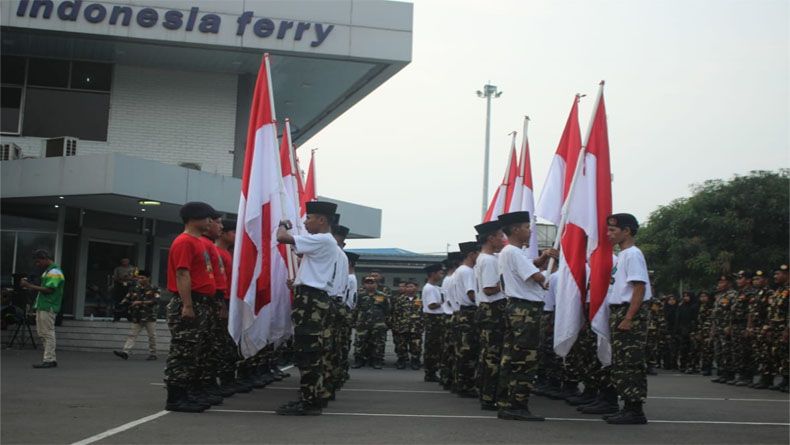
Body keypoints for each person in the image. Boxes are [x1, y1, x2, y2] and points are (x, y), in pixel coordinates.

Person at [275, 200, 338, 415]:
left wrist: (283, 224)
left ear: (321, 220)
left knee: (308, 353)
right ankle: (312, 398)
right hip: (312, 299)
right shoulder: (322, 242)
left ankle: (309, 402)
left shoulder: (323, 239)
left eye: (309, 218)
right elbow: (298, 251)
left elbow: (282, 238)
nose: (305, 222)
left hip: (311, 300)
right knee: (310, 352)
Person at [496, 211, 555, 421]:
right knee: (525, 359)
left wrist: (543, 258)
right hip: (526, 311)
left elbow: (530, 268)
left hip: (517, 308)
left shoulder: (509, 252)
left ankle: (506, 401)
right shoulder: (513, 252)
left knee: (511, 356)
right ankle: (517, 405)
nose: (530, 232)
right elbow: (539, 279)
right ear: (515, 230)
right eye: (527, 227)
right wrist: (555, 269)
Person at [163, 201, 218, 413]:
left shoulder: (198, 242)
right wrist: (187, 305)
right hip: (190, 301)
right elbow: (182, 273)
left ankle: (188, 394)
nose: (211, 222)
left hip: (201, 302)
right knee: (183, 351)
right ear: (194, 218)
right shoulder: (184, 241)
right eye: (207, 217)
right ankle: (176, 398)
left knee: (195, 351)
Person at [602, 213, 652, 425]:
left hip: (628, 312)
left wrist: (629, 318)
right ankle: (628, 407)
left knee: (630, 363)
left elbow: (639, 287)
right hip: (620, 311)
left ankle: (635, 410)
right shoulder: (623, 255)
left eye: (613, 230)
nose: (608, 234)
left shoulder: (632, 254)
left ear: (627, 231)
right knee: (621, 362)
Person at [473, 220, 507, 411]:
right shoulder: (488, 260)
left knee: (488, 355)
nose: (503, 239)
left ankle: (486, 393)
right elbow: (489, 289)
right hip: (492, 310)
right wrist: (508, 282)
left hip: (489, 311)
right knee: (493, 356)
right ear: (490, 238)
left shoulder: (487, 258)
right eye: (500, 235)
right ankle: (489, 396)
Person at [20, 250, 64, 369]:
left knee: (47, 332)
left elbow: (49, 290)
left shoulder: (54, 271)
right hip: (43, 305)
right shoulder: (49, 271)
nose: (37, 264)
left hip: (48, 305)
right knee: (43, 332)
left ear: (45, 258)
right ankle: (49, 358)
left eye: (38, 261)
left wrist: (29, 286)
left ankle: (49, 359)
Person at [453, 240, 480, 398]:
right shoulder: (468, 271)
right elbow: (472, 294)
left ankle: (460, 383)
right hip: (469, 312)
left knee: (462, 351)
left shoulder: (459, 270)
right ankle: (466, 386)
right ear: (471, 254)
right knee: (469, 351)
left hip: (462, 313)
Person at [113, 270, 160, 360]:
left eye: (142, 278)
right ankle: (125, 352)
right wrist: (121, 305)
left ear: (148, 278)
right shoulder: (134, 288)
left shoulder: (154, 288)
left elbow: (156, 301)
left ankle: (153, 354)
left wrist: (140, 302)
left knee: (152, 336)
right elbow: (127, 298)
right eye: (139, 278)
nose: (140, 280)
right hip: (137, 316)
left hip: (149, 316)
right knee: (132, 334)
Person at [352, 276, 390, 370]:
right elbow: (355, 309)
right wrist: (354, 321)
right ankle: (359, 360)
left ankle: (377, 361)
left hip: (378, 324)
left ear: (376, 284)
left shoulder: (382, 296)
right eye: (367, 283)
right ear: (364, 284)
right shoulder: (359, 295)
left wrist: (385, 322)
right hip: (362, 323)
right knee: (359, 342)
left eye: (372, 283)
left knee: (378, 343)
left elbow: (388, 310)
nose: (370, 285)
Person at [391, 280, 424, 370]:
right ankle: (401, 360)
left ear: (416, 288)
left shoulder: (421, 300)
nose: (409, 288)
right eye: (408, 287)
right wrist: (394, 326)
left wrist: (422, 325)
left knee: (416, 346)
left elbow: (424, 314)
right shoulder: (399, 300)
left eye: (411, 286)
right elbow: (394, 313)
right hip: (401, 327)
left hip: (416, 328)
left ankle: (415, 361)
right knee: (401, 346)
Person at [710, 275, 737, 384]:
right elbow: (715, 314)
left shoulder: (732, 295)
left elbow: (733, 312)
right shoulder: (719, 296)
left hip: (726, 327)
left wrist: (730, 326)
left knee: (727, 352)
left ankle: (729, 374)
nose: (719, 284)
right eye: (719, 282)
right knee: (718, 352)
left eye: (722, 282)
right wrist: (713, 328)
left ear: (729, 283)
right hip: (718, 327)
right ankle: (721, 373)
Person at [422, 263, 445, 382]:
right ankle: (430, 372)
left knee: (436, 347)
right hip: (433, 319)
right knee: (432, 347)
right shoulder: (429, 288)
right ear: (433, 274)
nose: (442, 274)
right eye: (440, 272)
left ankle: (432, 371)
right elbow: (432, 305)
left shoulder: (436, 287)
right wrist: (444, 302)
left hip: (436, 319)